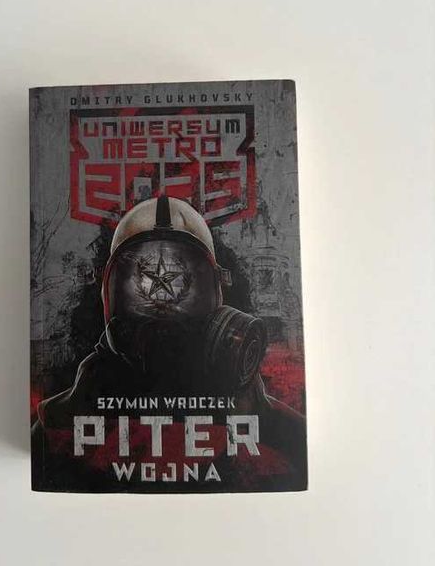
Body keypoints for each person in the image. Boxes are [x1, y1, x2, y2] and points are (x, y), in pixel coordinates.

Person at [32, 196, 307, 492]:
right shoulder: (278, 433)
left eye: (185, 282)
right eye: (140, 281)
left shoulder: (57, 426)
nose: (161, 304)